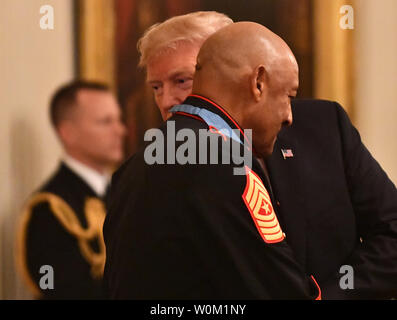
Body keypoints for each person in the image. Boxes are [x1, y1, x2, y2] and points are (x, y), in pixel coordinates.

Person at [132, 11, 397, 299]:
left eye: (182, 80)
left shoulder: (323, 126)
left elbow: (391, 231)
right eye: (157, 87)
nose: (167, 100)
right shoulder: (164, 163)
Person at [104, 21, 322, 299]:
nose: (289, 116)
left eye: (180, 80)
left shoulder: (135, 164)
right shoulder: (227, 162)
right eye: (287, 96)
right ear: (258, 83)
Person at [16, 81, 126, 299]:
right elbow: (55, 289)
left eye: (118, 120)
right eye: (106, 122)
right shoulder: (50, 209)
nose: (121, 130)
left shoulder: (121, 192)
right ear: (68, 133)